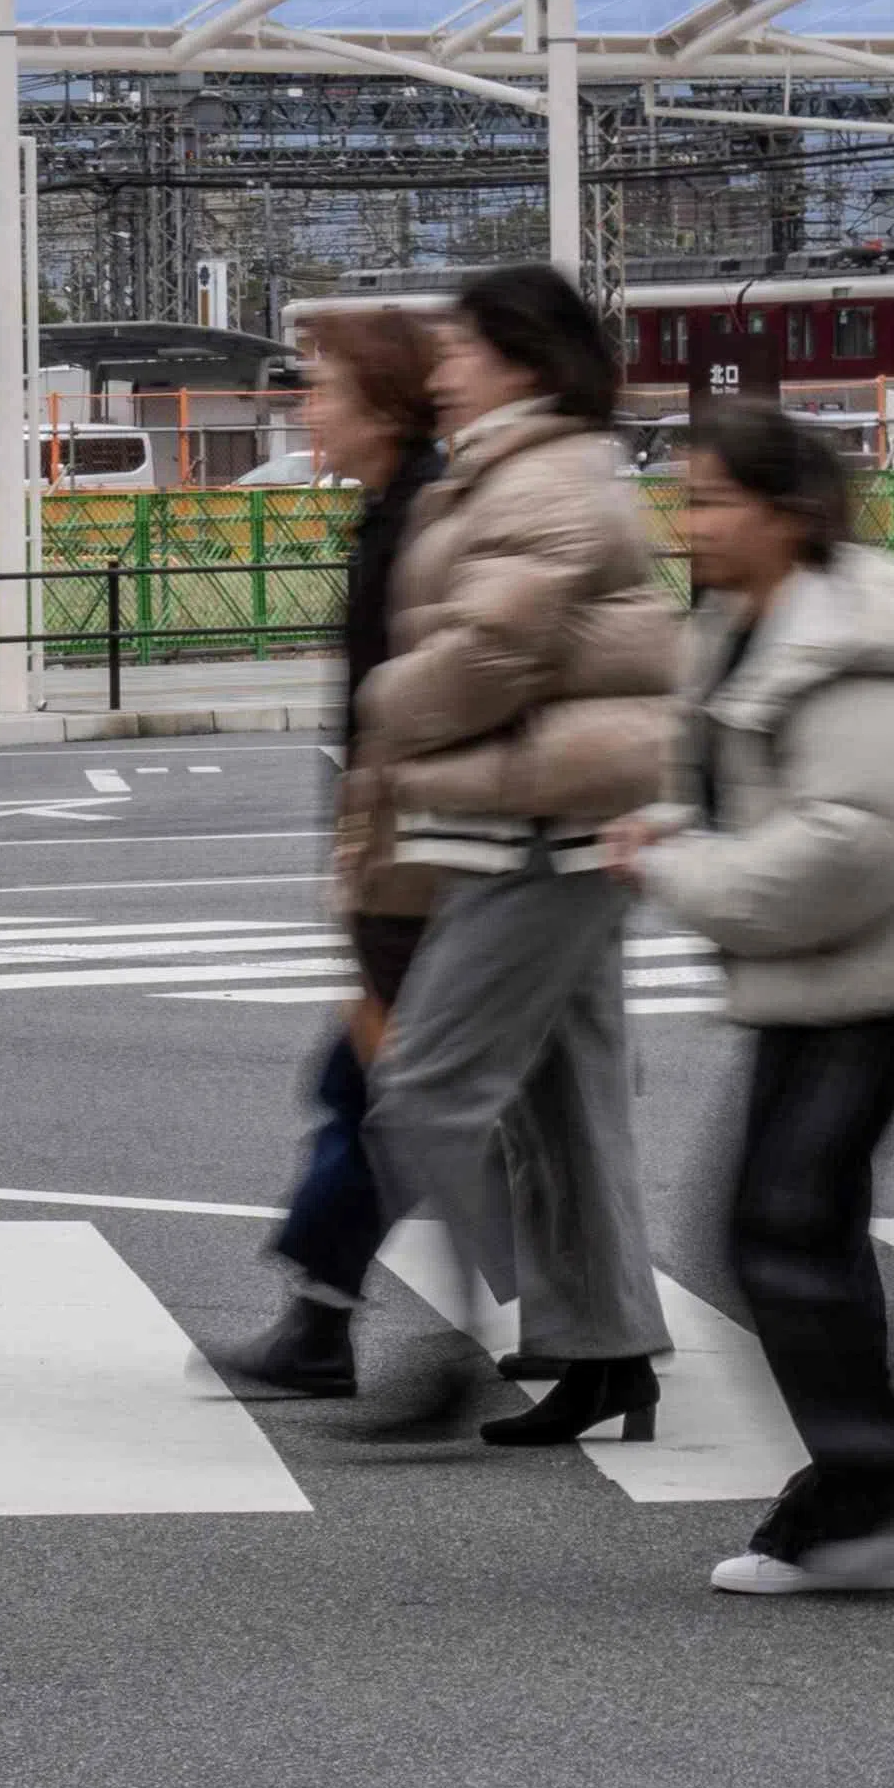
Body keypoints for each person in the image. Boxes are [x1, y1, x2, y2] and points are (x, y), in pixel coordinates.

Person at [629, 390, 894, 1594]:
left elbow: (851, 844)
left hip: (867, 967)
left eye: (707, 498)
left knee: (773, 1228)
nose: (686, 522)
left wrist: (673, 865)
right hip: (812, 971)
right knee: (794, 1229)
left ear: (786, 512)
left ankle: (890, 1455)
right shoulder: (750, 618)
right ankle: (862, 1506)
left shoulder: (851, 644)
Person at [336, 258, 677, 1448]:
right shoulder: (526, 466)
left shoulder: (547, 477)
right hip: (539, 814)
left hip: (542, 821)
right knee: (568, 1111)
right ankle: (606, 1354)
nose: (444, 369)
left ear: (522, 360)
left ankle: (508, 1328)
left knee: (423, 1087)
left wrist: (385, 699)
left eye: (464, 349)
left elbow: (491, 648)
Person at [213, 303, 444, 1403]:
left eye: (323, 389)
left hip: (424, 871)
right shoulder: (394, 515)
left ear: (385, 406)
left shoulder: (419, 526)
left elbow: (403, 724)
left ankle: (332, 1322)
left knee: (384, 1097)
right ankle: (325, 1318)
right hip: (411, 863)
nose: (306, 409)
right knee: (383, 1096)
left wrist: (371, 882)